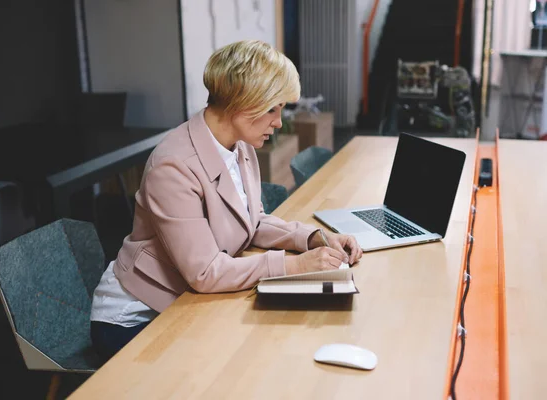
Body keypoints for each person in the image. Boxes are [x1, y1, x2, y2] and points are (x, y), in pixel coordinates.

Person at [90, 39, 363, 363]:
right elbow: (205, 272)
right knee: (235, 364)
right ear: (241, 102)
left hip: (185, 297)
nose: (278, 122)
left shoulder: (238, 144)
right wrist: (295, 266)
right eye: (272, 108)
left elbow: (253, 220)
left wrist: (313, 238)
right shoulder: (173, 166)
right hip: (137, 315)